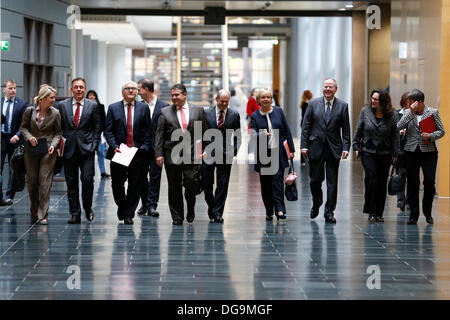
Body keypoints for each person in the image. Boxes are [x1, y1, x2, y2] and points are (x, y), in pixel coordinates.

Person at [155, 83, 208, 225]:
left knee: (191, 183)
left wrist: (205, 149)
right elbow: (159, 134)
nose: (174, 97)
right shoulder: (165, 112)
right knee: (174, 186)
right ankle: (177, 216)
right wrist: (158, 154)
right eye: (172, 95)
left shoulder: (198, 111)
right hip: (171, 155)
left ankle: (190, 207)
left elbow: (204, 132)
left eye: (176, 95)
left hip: (192, 154)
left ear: (185, 95)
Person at [301, 78, 351, 223]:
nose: (327, 89)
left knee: (332, 182)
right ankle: (317, 202)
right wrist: (304, 146)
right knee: (315, 181)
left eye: (330, 87)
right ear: (322, 88)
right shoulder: (313, 104)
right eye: (325, 87)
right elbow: (306, 127)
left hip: (333, 149)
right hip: (315, 147)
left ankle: (329, 212)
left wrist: (346, 147)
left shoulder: (343, 106)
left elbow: (346, 130)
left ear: (336, 89)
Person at [104, 81, 152, 225]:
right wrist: (114, 146)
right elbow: (108, 131)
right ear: (122, 91)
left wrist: (144, 147)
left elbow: (148, 131)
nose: (131, 90)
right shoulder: (113, 108)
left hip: (138, 153)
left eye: (134, 89)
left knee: (135, 184)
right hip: (119, 152)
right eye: (128, 88)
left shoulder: (144, 108)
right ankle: (122, 205)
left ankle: (128, 214)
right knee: (117, 184)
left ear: (137, 92)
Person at [55, 78, 101, 224]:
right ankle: (75, 213)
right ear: (71, 89)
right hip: (69, 150)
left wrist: (94, 144)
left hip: (87, 149)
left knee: (87, 180)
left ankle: (88, 208)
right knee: (71, 182)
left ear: (85, 89)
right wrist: (59, 146)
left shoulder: (92, 105)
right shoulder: (62, 105)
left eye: (81, 87)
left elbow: (97, 127)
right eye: (76, 87)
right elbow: (58, 127)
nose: (79, 89)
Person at [397, 89, 445, 225]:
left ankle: (427, 212)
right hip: (411, 152)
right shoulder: (407, 113)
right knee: (413, 183)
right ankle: (414, 214)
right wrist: (410, 113)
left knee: (429, 182)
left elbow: (441, 131)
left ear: (419, 102)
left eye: (411, 102)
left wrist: (431, 136)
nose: (409, 104)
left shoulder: (433, 112)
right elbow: (397, 126)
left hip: (428, 152)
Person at [353, 89, 399, 222]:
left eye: (376, 99)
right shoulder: (365, 111)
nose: (373, 101)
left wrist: (396, 153)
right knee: (371, 179)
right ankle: (371, 211)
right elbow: (359, 129)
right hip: (368, 151)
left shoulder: (393, 115)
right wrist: (356, 145)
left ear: (383, 102)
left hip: (385, 153)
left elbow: (395, 136)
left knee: (381, 182)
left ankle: (379, 212)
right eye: (372, 98)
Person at [250, 88, 295, 221]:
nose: (266, 99)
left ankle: (280, 209)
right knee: (266, 185)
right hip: (263, 155)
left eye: (268, 97)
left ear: (271, 99)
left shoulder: (279, 112)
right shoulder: (255, 116)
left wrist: (291, 150)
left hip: (278, 153)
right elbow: (252, 136)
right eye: (263, 97)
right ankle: (269, 210)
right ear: (258, 100)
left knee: (277, 182)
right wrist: (260, 134)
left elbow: (286, 130)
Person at [20, 85, 61, 225]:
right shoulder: (29, 111)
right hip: (31, 150)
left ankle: (43, 214)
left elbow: (58, 133)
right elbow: (23, 127)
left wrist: (54, 146)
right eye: (51, 98)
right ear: (42, 99)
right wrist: (29, 137)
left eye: (54, 97)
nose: (54, 100)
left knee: (44, 182)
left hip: (48, 150)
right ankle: (34, 210)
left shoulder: (55, 113)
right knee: (32, 181)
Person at [202, 89, 241, 223]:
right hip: (208, 153)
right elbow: (199, 133)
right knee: (206, 183)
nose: (224, 104)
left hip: (226, 154)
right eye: (222, 101)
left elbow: (238, 135)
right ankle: (212, 206)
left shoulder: (234, 115)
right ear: (216, 99)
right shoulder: (206, 113)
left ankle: (218, 213)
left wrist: (234, 151)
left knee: (222, 185)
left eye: (226, 101)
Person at [136, 78, 169, 217]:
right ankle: (144, 203)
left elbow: (167, 129)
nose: (137, 92)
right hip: (142, 148)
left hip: (157, 148)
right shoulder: (137, 105)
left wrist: (162, 150)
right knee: (141, 177)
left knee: (155, 177)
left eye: (139, 89)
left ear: (146, 89)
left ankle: (152, 206)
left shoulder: (164, 106)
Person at [1, 79, 27, 206]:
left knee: (13, 169)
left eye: (14, 88)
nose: (13, 91)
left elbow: (24, 124)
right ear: (4, 89)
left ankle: (9, 196)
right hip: (1, 139)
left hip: (14, 140)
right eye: (10, 88)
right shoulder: (0, 103)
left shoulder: (21, 104)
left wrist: (17, 135)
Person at [86, 89, 110, 178]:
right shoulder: (84, 106)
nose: (91, 97)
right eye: (89, 95)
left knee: (100, 152)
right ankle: (89, 172)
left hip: (98, 133)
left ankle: (103, 171)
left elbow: (104, 120)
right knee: (89, 154)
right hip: (87, 134)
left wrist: (105, 133)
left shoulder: (100, 106)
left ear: (96, 96)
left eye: (93, 95)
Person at [396, 92, 410, 212]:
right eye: (407, 101)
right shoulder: (396, 114)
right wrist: (398, 133)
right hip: (400, 150)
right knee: (400, 176)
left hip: (412, 150)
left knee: (412, 177)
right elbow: (391, 129)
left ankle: (410, 201)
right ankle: (400, 200)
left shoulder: (417, 115)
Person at [299, 90, 313, 165]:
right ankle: (305, 159)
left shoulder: (303, 103)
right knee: (307, 141)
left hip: (303, 123)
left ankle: (303, 160)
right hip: (307, 124)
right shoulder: (307, 104)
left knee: (304, 141)